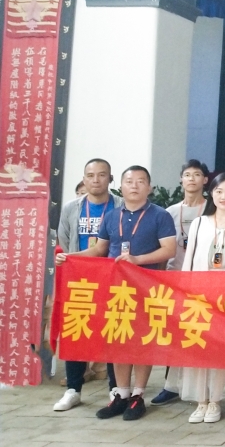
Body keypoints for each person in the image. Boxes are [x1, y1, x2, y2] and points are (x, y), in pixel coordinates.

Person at [56, 166, 177, 422]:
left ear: (149, 187)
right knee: (119, 339)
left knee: (143, 341)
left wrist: (137, 259)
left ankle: (138, 395)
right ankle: (121, 394)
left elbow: (169, 250)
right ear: (120, 186)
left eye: (140, 181)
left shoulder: (160, 215)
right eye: (129, 181)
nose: (134, 186)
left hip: (147, 287)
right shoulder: (111, 216)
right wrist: (69, 257)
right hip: (116, 289)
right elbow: (100, 249)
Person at [180, 173, 225, 424]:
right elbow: (188, 261)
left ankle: (215, 401)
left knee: (221, 349)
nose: (224, 196)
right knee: (199, 347)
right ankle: (200, 400)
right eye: (219, 191)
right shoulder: (199, 223)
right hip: (199, 296)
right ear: (211, 193)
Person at [53, 159, 122, 412]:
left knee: (114, 331)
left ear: (110, 178)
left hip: (112, 280)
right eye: (90, 175)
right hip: (79, 279)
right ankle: (73, 389)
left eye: (101, 175)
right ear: (84, 179)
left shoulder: (121, 206)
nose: (95, 180)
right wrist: (72, 259)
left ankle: (116, 388)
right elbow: (66, 238)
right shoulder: (71, 207)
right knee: (76, 330)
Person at [152, 160, 210, 407]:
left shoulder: (212, 209)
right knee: (174, 334)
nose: (192, 179)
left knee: (203, 333)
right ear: (181, 179)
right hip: (175, 279)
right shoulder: (170, 212)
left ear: (205, 180)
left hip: (205, 280)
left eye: (197, 175)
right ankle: (171, 386)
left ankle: (204, 386)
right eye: (187, 175)